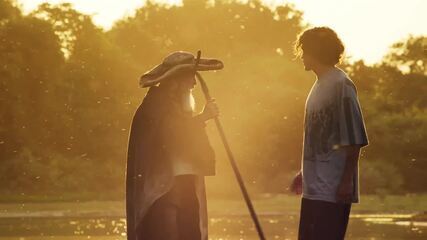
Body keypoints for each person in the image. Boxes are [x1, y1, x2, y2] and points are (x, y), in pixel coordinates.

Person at [125, 51, 224, 240]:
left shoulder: (177, 104)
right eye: (190, 77)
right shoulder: (156, 104)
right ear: (176, 80)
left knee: (189, 233)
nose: (194, 83)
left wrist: (201, 119)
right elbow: (173, 136)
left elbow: (185, 139)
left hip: (183, 183)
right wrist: (203, 117)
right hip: (163, 190)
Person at [290, 27, 369, 240]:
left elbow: (354, 139)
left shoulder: (341, 85)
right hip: (314, 188)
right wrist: (304, 171)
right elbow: (320, 136)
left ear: (315, 52)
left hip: (333, 190)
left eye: (304, 51)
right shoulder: (317, 86)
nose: (301, 56)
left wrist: (346, 182)